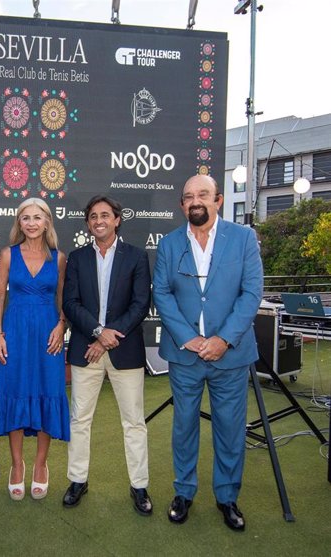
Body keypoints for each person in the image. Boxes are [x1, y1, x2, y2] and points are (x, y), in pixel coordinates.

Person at [153, 174, 263, 531]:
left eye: (203, 194)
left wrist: (223, 340)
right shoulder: (170, 244)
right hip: (185, 355)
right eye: (188, 197)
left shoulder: (244, 239)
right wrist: (189, 338)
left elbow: (251, 294)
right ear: (182, 205)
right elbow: (163, 294)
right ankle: (184, 492)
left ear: (218, 199)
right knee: (184, 426)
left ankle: (227, 496)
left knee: (230, 429)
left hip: (230, 356)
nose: (195, 201)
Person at [61, 195, 152, 515]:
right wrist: (99, 333)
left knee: (134, 422)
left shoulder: (137, 257)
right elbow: (70, 304)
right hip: (86, 349)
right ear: (88, 223)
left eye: (105, 215)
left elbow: (140, 304)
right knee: (79, 421)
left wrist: (109, 336)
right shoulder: (77, 258)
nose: (98, 220)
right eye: (93, 216)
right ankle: (77, 479)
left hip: (125, 351)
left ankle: (139, 486)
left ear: (117, 219)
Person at [0, 198, 69, 501]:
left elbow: (63, 297)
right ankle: (16, 464)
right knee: (14, 391)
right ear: (19, 223)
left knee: (48, 391)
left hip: (48, 332)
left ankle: (40, 464)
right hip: (16, 331)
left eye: (38, 217)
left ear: (48, 221)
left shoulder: (59, 258)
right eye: (26, 218)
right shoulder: (8, 255)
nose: (32, 223)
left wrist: (62, 324)